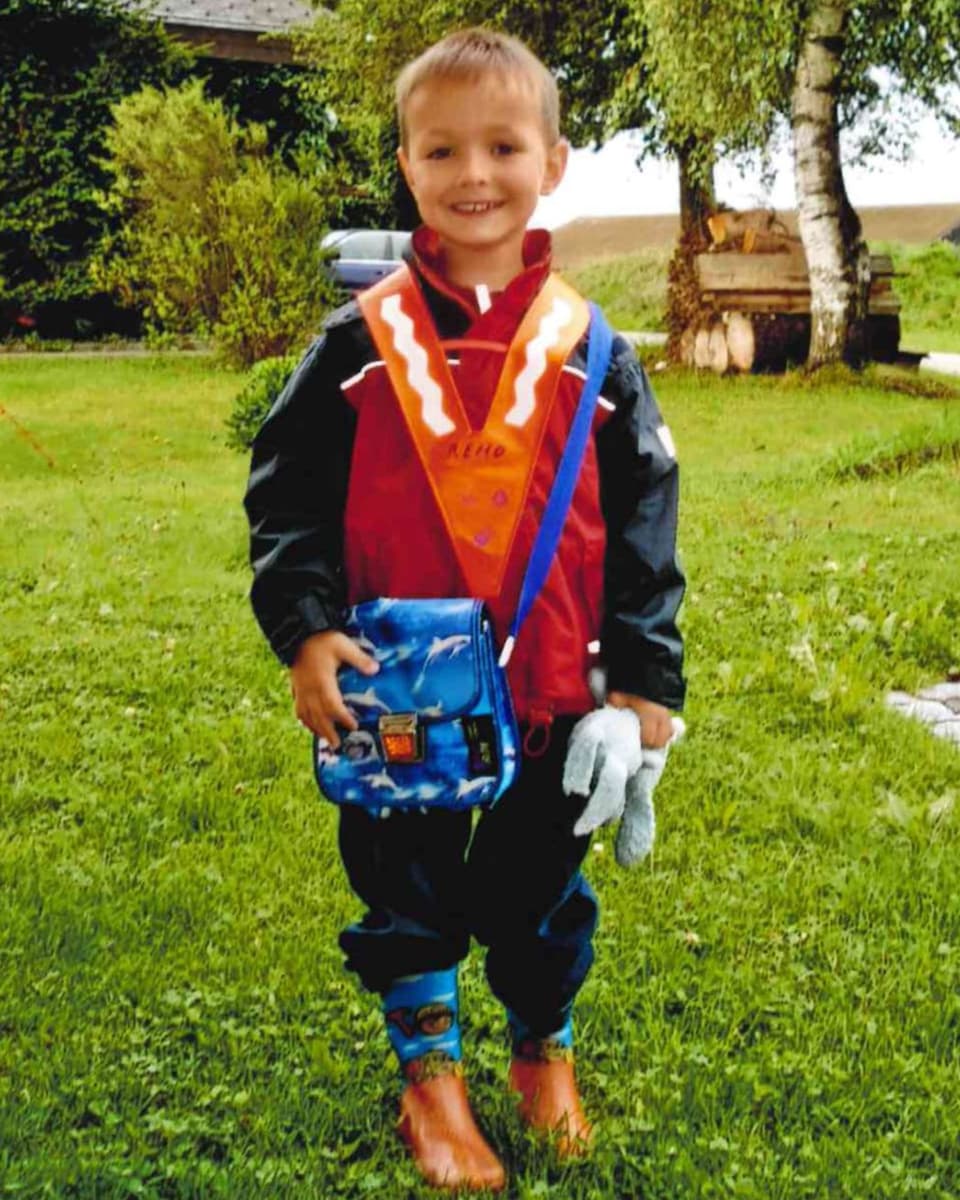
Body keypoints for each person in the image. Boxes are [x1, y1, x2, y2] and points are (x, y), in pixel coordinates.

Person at [244, 27, 685, 1192]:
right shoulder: (357, 345)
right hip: (401, 696)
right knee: (406, 878)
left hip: (558, 694)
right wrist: (302, 629)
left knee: (543, 892)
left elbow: (646, 524)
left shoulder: (597, 354)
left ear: (556, 160)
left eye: (504, 145)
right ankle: (430, 1081)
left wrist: (643, 687)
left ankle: (544, 1052)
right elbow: (284, 493)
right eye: (444, 150)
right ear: (407, 163)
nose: (475, 174)